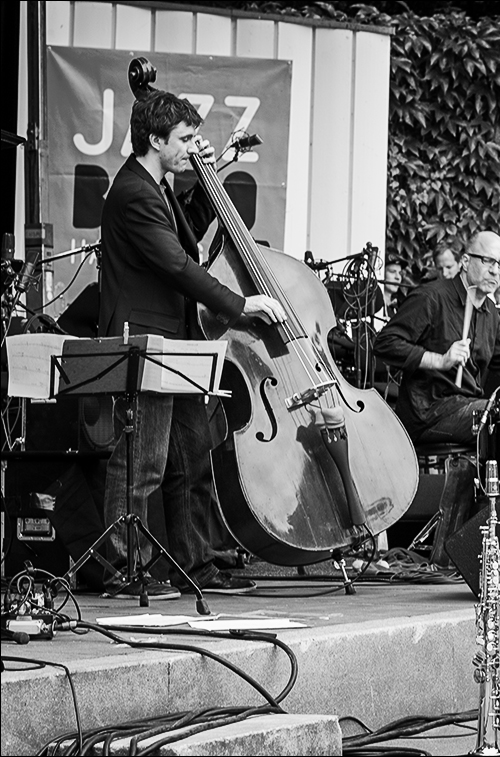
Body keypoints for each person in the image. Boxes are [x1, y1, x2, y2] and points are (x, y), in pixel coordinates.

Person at [98, 90, 287, 599]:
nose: (189, 147)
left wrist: (212, 169)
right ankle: (122, 570)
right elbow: (177, 266)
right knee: (142, 460)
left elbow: (188, 233)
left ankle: (196, 563)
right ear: (154, 140)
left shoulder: (157, 185)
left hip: (174, 338)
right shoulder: (134, 191)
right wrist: (239, 305)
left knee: (191, 454)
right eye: (182, 139)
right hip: (144, 339)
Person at [372, 231, 500, 445]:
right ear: (465, 261)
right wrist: (438, 360)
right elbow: (385, 343)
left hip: (468, 407)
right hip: (428, 414)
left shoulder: (489, 311)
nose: (494, 271)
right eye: (487, 261)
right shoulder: (431, 298)